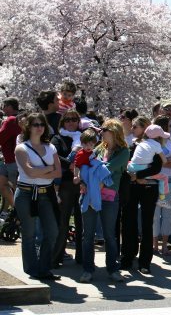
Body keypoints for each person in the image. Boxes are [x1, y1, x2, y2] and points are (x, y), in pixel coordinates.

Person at [79, 118, 129, 283]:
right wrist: (83, 180)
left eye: (104, 130)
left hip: (109, 197)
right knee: (88, 235)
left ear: (113, 132)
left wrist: (94, 179)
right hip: (91, 195)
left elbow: (107, 170)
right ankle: (87, 269)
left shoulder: (123, 152)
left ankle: (113, 269)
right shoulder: (99, 148)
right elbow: (83, 164)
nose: (101, 132)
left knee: (109, 235)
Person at [14, 113, 62, 280]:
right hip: (26, 193)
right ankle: (32, 269)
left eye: (42, 124)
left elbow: (58, 172)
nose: (39, 127)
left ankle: (44, 267)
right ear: (28, 127)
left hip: (45, 194)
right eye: (35, 124)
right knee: (29, 233)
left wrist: (42, 171)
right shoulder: (22, 148)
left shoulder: (51, 147)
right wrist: (48, 168)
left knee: (52, 232)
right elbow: (29, 172)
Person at [120, 117, 163, 274]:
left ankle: (145, 262)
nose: (133, 129)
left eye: (136, 126)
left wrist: (138, 175)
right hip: (131, 188)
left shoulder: (154, 145)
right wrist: (133, 176)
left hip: (149, 187)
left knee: (146, 224)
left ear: (145, 128)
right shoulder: (130, 145)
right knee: (128, 221)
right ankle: (127, 257)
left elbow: (157, 167)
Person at [50, 111, 85, 269]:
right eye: (68, 120)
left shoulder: (84, 137)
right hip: (65, 184)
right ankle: (56, 257)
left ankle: (82, 256)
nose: (71, 122)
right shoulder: (57, 138)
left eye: (74, 120)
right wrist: (70, 165)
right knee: (63, 221)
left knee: (82, 222)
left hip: (82, 183)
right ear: (63, 122)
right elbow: (54, 155)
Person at [151, 116, 171, 256]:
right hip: (155, 180)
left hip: (170, 180)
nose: (170, 128)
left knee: (167, 214)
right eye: (169, 126)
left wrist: (165, 161)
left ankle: (165, 245)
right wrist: (167, 161)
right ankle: (154, 245)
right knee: (154, 215)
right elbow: (156, 162)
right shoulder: (152, 143)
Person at [0, 97, 21, 212]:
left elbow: (1, 136)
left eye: (4, 106)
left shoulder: (10, 120)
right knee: (3, 185)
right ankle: (10, 210)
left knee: (15, 187)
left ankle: (18, 211)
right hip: (9, 160)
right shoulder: (19, 119)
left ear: (9, 106)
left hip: (12, 161)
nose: (3, 109)